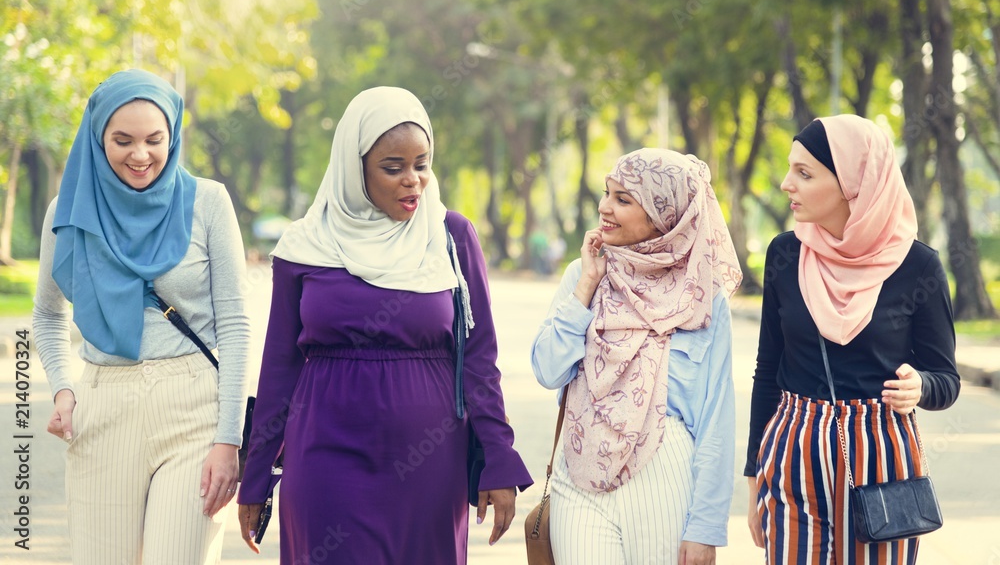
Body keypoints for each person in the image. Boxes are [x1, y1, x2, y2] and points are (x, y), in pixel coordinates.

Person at [236, 86, 532, 564]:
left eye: (422, 164)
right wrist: (256, 478)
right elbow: (279, 366)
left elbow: (479, 358)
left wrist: (498, 457)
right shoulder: (304, 245)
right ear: (356, 169)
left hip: (430, 462)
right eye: (392, 168)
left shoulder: (450, 235)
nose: (412, 180)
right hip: (324, 456)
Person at [33, 69, 250, 564]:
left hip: (194, 410)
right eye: (122, 140)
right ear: (97, 138)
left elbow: (236, 326)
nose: (140, 154)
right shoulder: (64, 214)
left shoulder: (208, 203)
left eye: (155, 139)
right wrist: (64, 389)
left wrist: (228, 440)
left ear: (173, 136)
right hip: (103, 405)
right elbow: (47, 315)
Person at [745, 115, 961, 564]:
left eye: (804, 174)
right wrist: (754, 480)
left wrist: (920, 386)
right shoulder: (785, 254)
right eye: (790, 169)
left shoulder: (918, 266)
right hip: (794, 457)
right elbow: (768, 370)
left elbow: (946, 379)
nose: (787, 184)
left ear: (852, 184)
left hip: (880, 460)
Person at [531, 149, 742, 565]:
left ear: (665, 216)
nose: (603, 207)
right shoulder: (584, 274)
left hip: (664, 475)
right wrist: (586, 286)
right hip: (580, 473)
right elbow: (548, 370)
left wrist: (705, 528)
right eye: (607, 193)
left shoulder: (704, 296)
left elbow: (717, 418)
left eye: (623, 199)